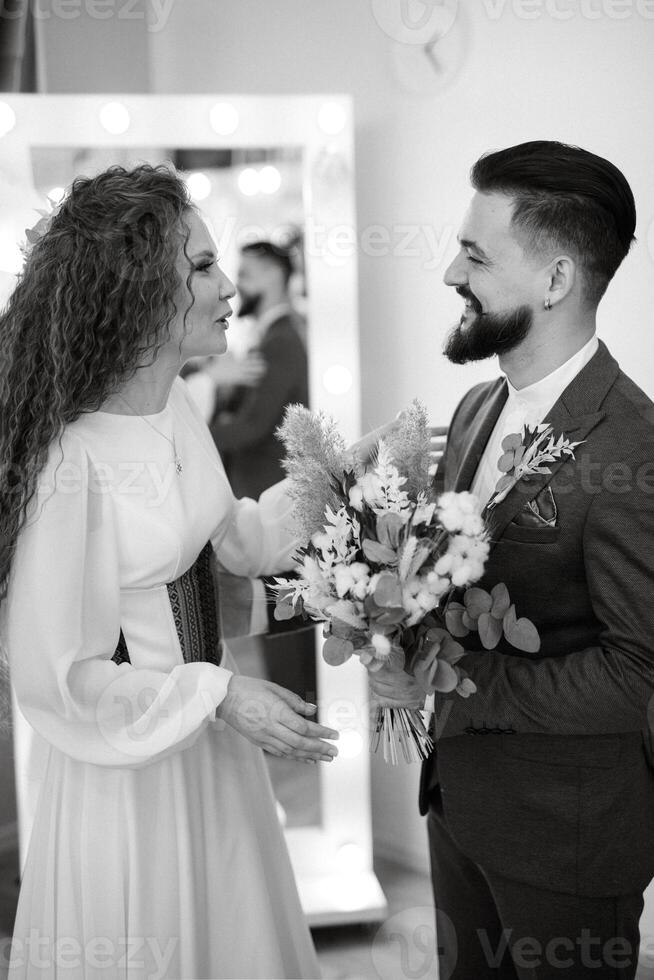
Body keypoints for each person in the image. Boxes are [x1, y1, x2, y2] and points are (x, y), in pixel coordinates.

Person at [0, 163, 339, 979]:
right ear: (137, 287)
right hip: (127, 775)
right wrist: (218, 694)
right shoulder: (70, 460)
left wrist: (341, 476)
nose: (229, 287)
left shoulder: (176, 408)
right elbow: (59, 678)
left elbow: (238, 542)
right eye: (201, 267)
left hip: (211, 753)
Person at [369, 141, 654, 979]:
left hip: (566, 840)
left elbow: (638, 670)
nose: (451, 273)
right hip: (457, 809)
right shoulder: (473, 406)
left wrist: (452, 684)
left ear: (557, 281)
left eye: (475, 254)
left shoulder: (633, 449)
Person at [209, 239, 308, 498]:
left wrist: (195, 431)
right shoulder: (270, 338)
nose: (235, 286)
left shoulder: (281, 341)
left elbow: (252, 425)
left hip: (264, 491)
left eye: (244, 275)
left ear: (274, 275)